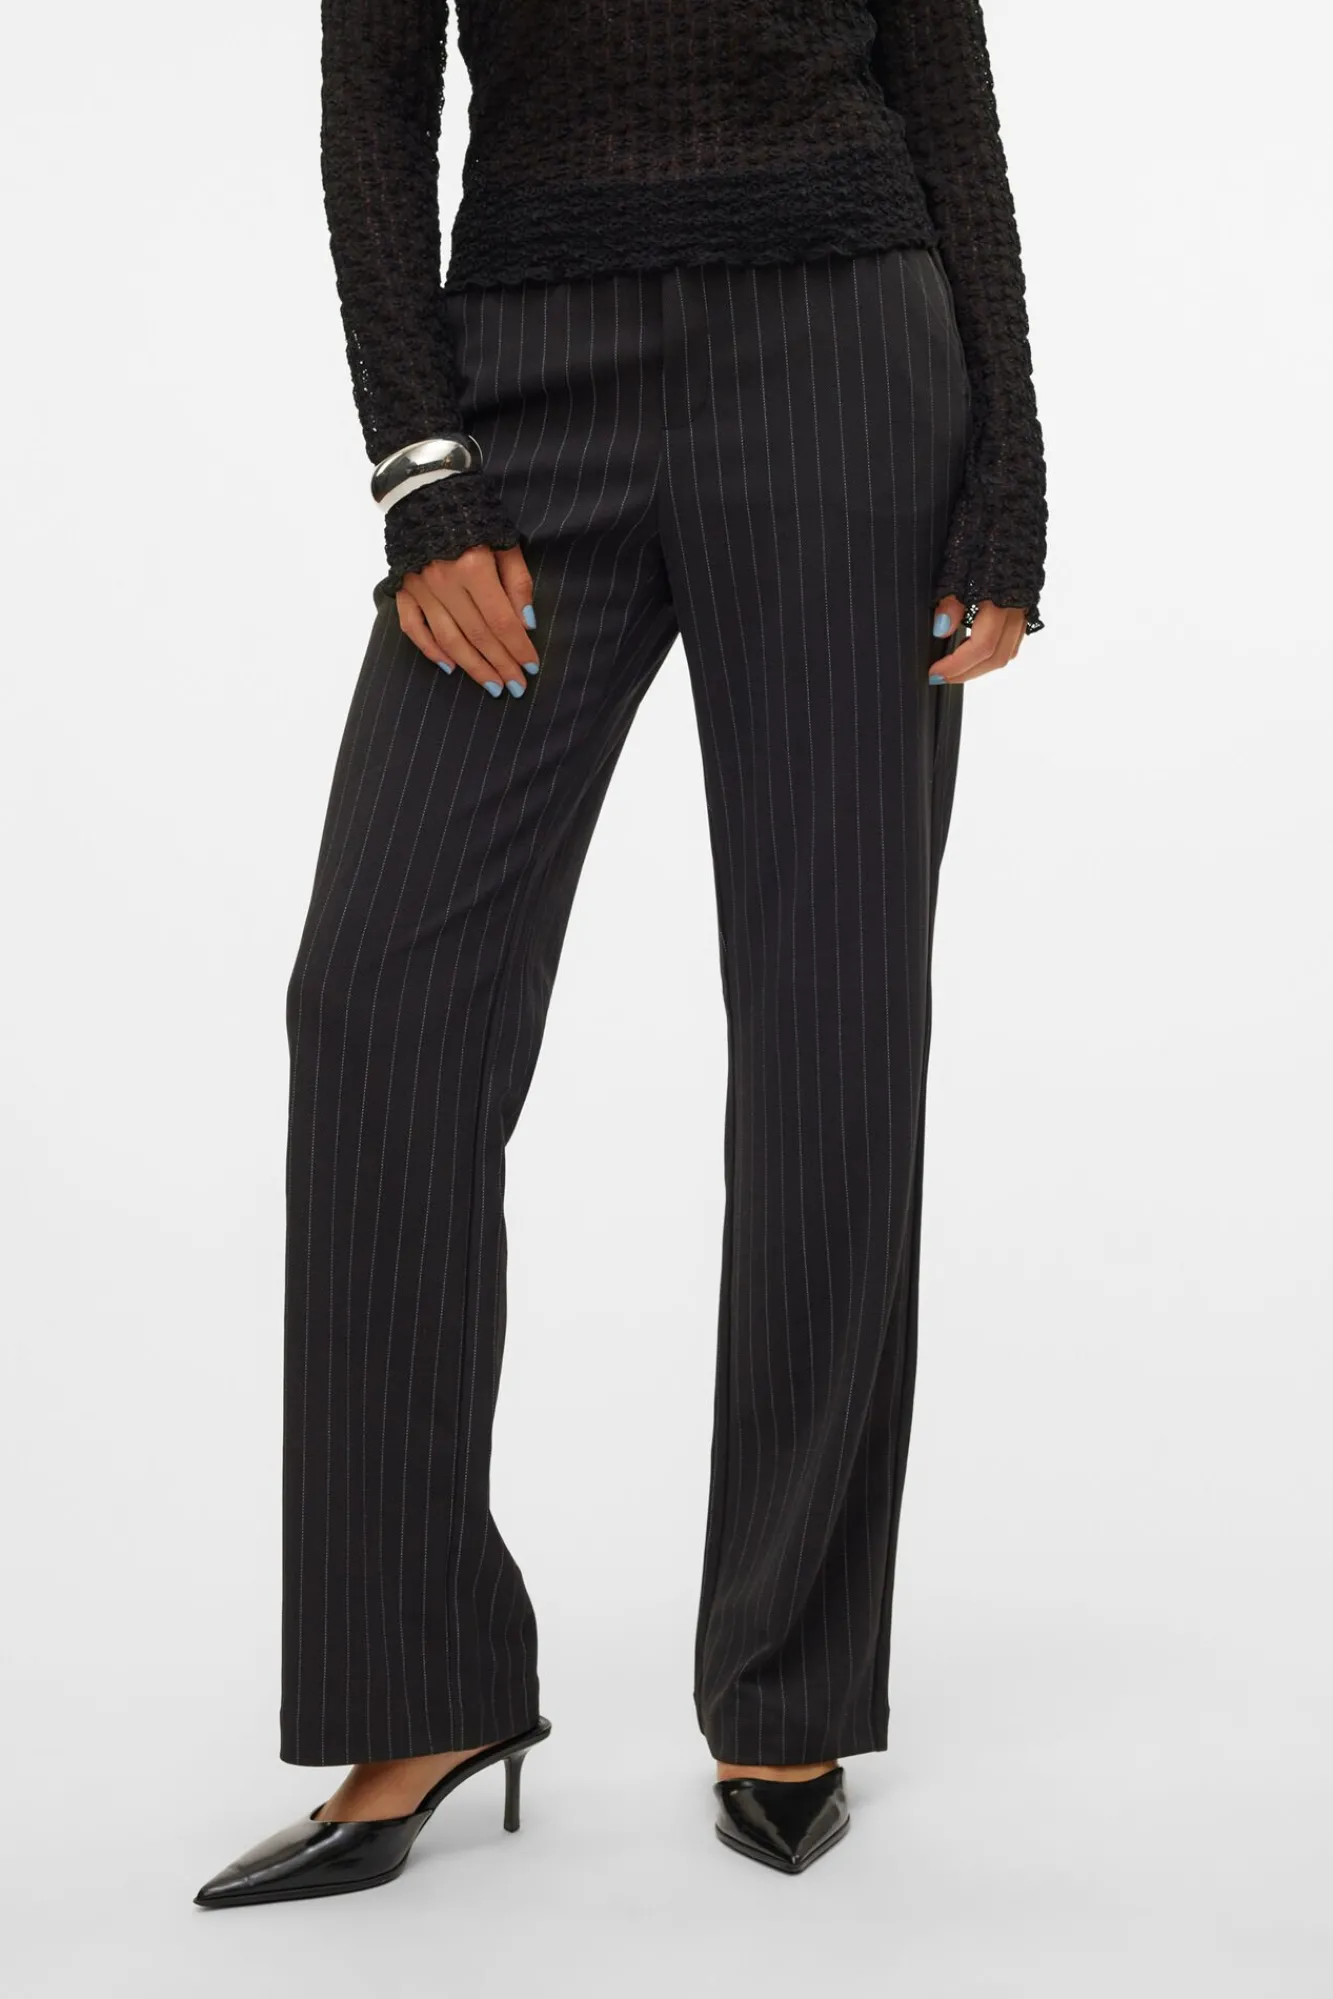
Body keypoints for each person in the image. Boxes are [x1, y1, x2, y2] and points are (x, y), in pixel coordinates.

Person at [195, 0, 1046, 1904]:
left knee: (833, 1021)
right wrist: (422, 466)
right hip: (528, 387)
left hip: (847, 365)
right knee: (378, 1002)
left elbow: (948, 100)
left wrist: (1011, 478)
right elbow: (370, 115)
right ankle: (417, 1684)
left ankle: (789, 1683)